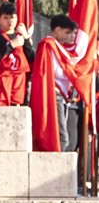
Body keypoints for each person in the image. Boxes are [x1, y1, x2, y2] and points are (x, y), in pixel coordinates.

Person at [29, 14, 84, 152]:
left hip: (61, 95)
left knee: (65, 137)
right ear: (57, 30)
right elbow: (55, 70)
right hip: (54, 94)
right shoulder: (48, 45)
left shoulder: (55, 46)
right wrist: (72, 72)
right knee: (62, 137)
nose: (68, 36)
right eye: (66, 32)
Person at [0, 1, 35, 106]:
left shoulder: (21, 36)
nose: (9, 21)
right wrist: (11, 46)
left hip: (19, 86)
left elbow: (31, 58)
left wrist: (26, 39)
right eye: (5, 18)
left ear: (17, 18)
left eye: (12, 17)